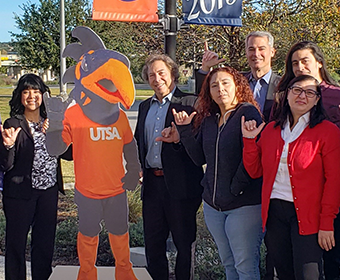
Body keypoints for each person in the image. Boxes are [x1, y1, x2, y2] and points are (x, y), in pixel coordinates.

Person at [158, 66, 264, 279]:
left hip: (243, 205)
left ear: (237, 86)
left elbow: (254, 159)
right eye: (214, 85)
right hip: (213, 207)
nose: (220, 89)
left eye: (225, 83)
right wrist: (185, 130)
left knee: (245, 265)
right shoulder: (210, 119)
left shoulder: (247, 113)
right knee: (228, 264)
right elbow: (199, 158)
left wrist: (235, 188)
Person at [242, 74, 340, 279]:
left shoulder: (328, 132)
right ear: (286, 95)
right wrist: (250, 142)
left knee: (308, 275)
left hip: (308, 215)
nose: (302, 95)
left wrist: (327, 223)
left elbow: (334, 181)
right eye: (297, 90)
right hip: (275, 213)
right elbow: (255, 171)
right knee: (284, 273)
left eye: (310, 92)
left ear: (317, 99)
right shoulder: (271, 129)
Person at [273, 41, 340, 279]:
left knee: (330, 261)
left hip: (330, 193)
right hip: (294, 197)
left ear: (319, 63)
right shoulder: (285, 97)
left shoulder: (336, 96)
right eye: (294, 63)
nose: (300, 67)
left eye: (305, 61)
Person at [134, 54, 203, 280]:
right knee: (153, 245)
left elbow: (197, 148)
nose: (157, 79)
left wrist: (178, 140)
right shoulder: (144, 106)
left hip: (181, 187)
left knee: (184, 245)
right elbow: (139, 142)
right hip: (152, 186)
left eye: (161, 73)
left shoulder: (189, 103)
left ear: (172, 74)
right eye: (152, 75)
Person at [0, 73, 72, 280]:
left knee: (44, 243)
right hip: (20, 194)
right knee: (16, 244)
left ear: (43, 95)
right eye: (26, 91)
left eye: (36, 91)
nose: (31, 96)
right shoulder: (13, 123)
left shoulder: (53, 122)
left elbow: (68, 154)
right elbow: (6, 164)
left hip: (48, 193)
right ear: (20, 96)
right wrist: (8, 145)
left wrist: (58, 132)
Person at [196, 31, 281, 122]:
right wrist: (205, 68)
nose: (256, 54)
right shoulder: (236, 80)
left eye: (261, 49)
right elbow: (205, 95)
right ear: (246, 52)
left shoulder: (283, 85)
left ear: (272, 52)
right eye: (251, 49)